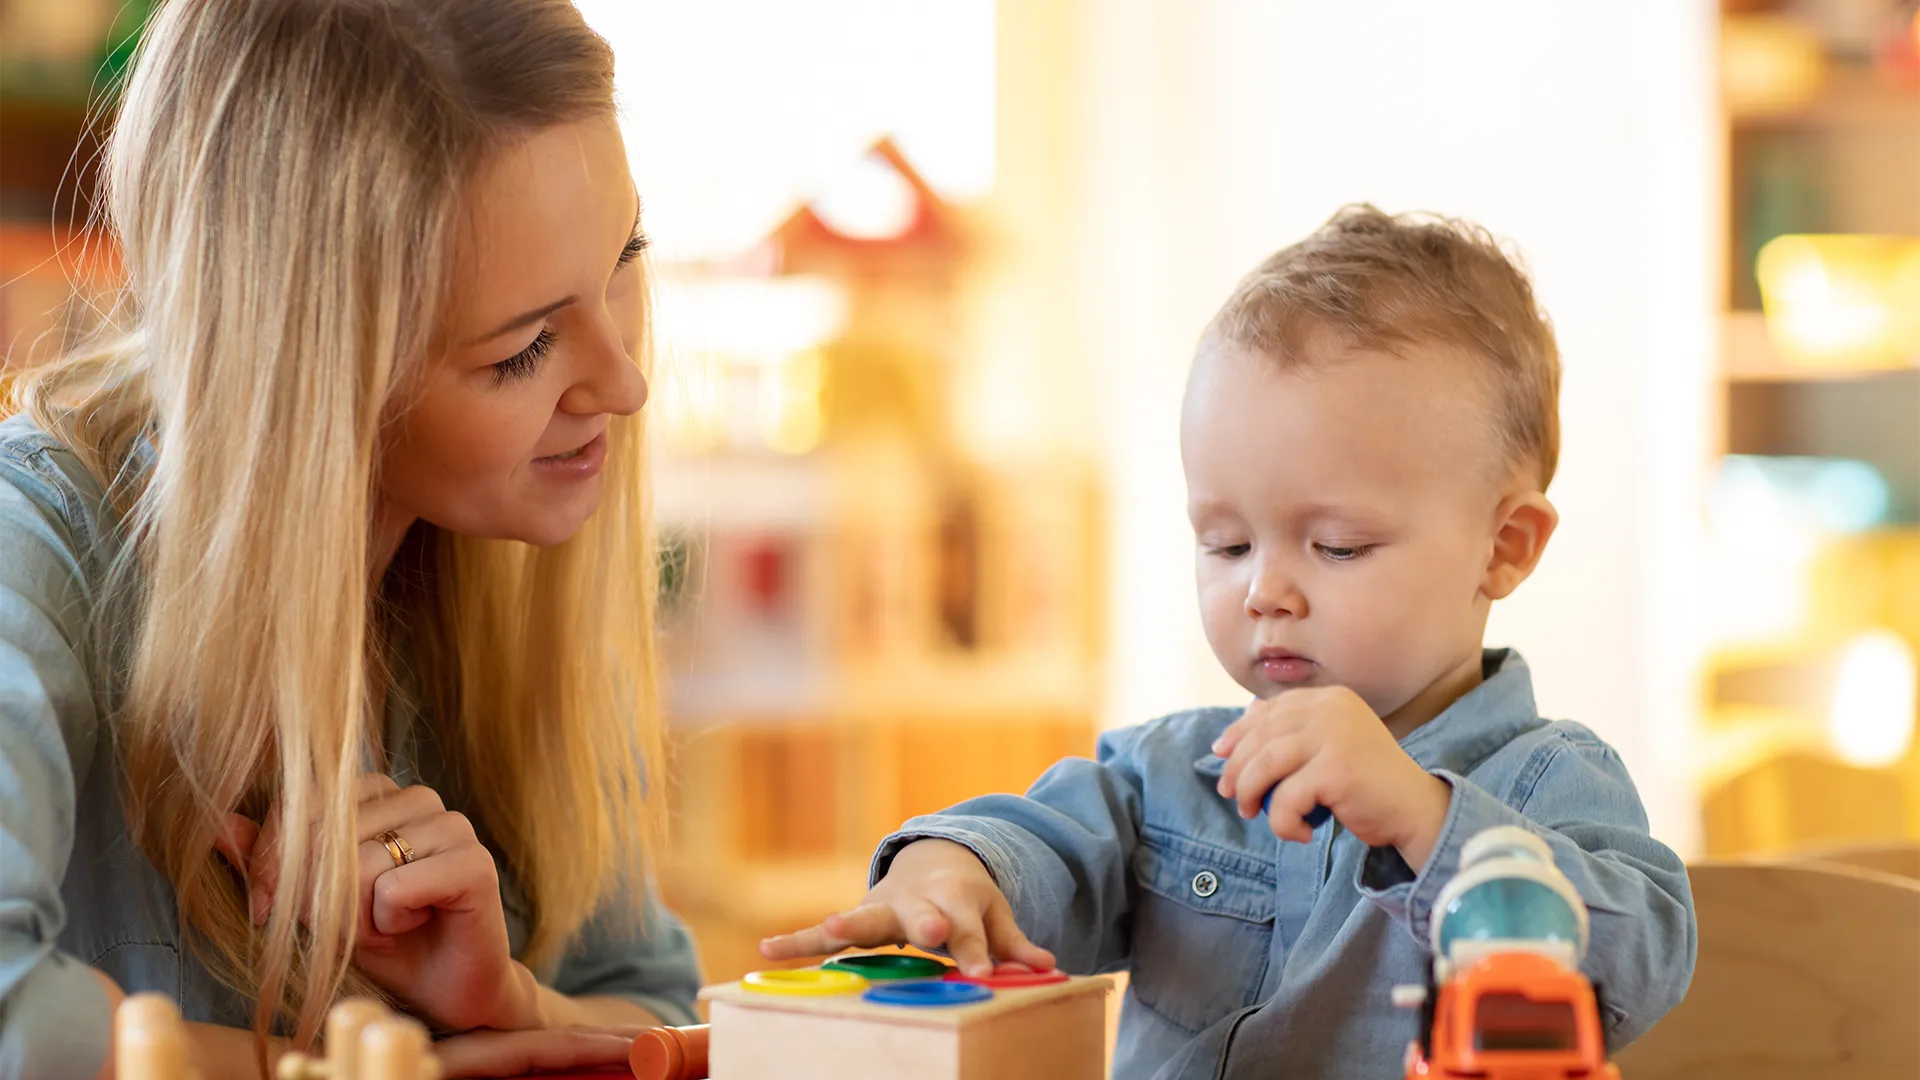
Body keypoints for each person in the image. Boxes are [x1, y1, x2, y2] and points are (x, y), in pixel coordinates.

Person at [762, 206, 1698, 1079]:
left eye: (1337, 545)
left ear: (1502, 548)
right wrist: (951, 873)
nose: (1263, 591)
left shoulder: (1554, 783)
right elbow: (1044, 841)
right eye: (1227, 542)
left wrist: (1421, 815)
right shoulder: (1173, 774)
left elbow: (1641, 957)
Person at [0, 1, 701, 1077]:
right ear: (312, 369)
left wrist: (502, 999)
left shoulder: (506, 575)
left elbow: (649, 1007)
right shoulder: (29, 553)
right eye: (524, 348)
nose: (625, 381)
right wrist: (376, 1060)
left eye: (626, 254)